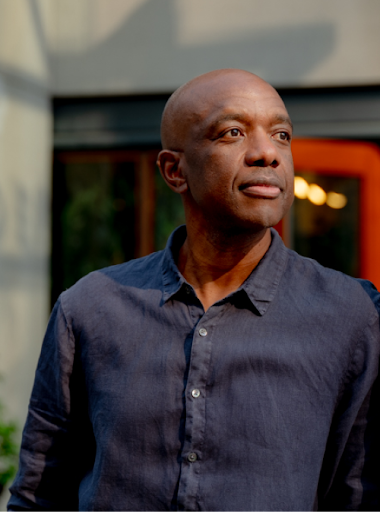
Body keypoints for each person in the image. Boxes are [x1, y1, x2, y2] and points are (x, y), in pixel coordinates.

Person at [8, 69, 380, 511]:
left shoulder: (354, 315)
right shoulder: (90, 308)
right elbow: (39, 494)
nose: (267, 153)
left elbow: (362, 496)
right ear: (173, 170)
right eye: (233, 133)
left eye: (281, 135)